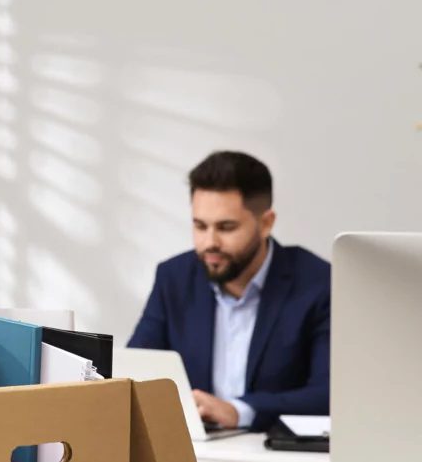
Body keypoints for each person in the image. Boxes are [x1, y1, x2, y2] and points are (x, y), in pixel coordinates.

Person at [127, 151, 330, 432]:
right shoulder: (173, 277)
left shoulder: (319, 283)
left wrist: (239, 411)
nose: (209, 242)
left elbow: (329, 394)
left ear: (266, 223)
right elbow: (135, 370)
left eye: (226, 227)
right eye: (200, 226)